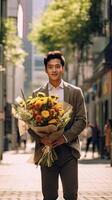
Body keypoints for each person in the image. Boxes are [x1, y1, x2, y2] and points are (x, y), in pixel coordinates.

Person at [28, 51, 87, 200]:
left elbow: (81, 120)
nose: (54, 70)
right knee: (49, 196)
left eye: (57, 66)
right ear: (46, 70)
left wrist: (64, 137)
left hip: (69, 151)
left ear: (63, 68)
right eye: (50, 67)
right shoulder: (37, 94)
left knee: (71, 195)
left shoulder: (75, 92)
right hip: (46, 151)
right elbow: (29, 123)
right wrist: (42, 139)